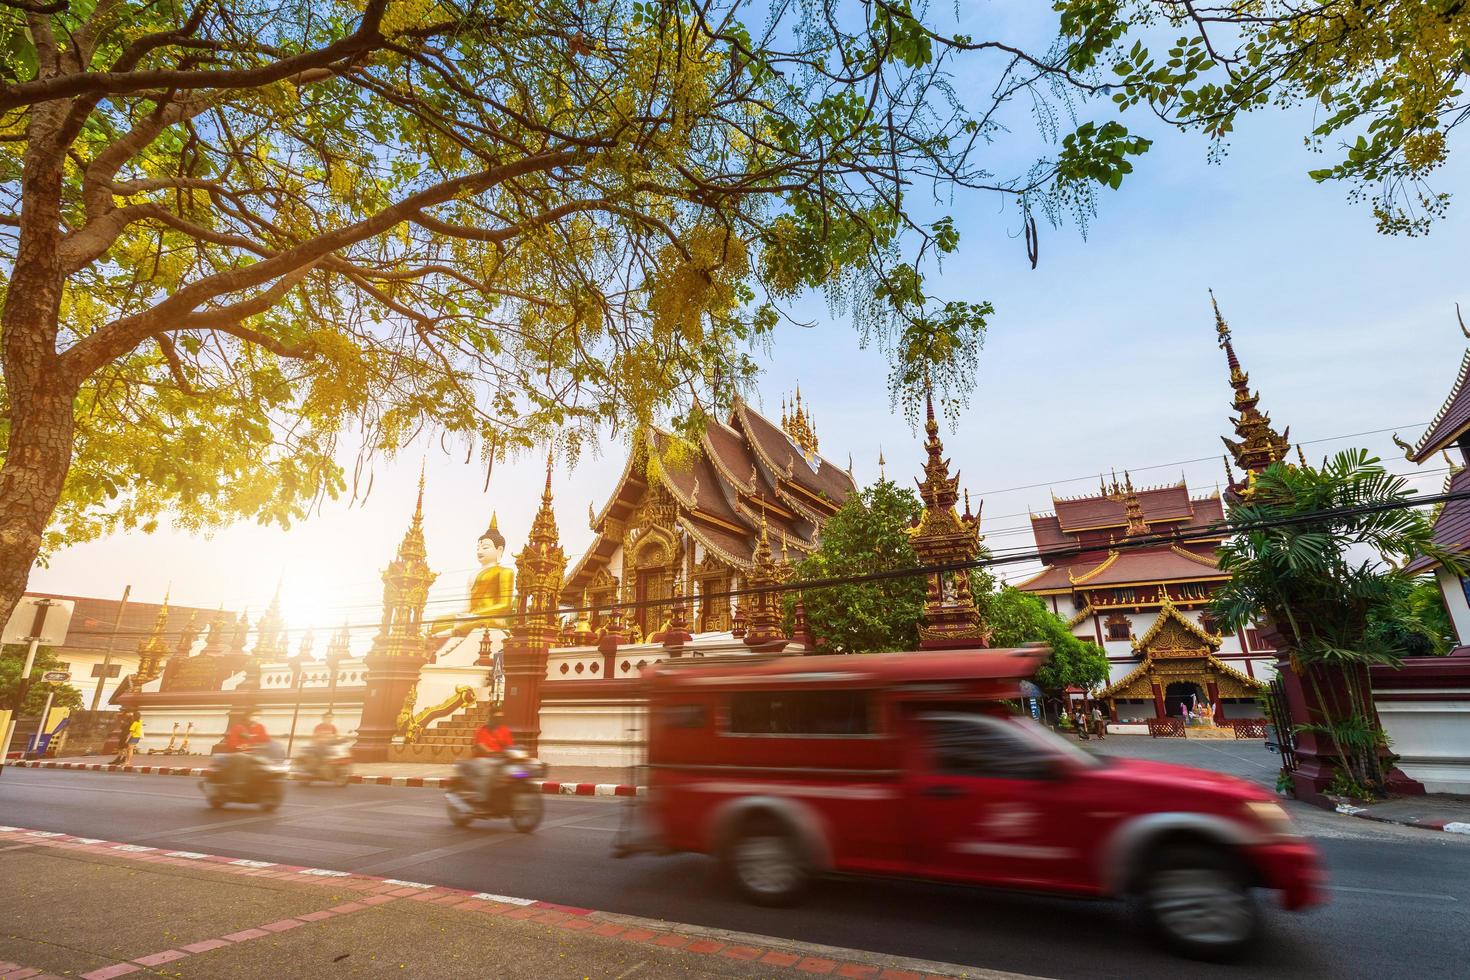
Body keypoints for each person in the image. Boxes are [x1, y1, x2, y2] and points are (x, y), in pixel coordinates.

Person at [470, 709, 514, 805]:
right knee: (488, 773)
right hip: (483, 759)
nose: (499, 720)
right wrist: (490, 752)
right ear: (492, 718)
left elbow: (510, 746)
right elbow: (480, 745)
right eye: (497, 718)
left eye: (501, 718)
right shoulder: (482, 730)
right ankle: (481, 799)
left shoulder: (504, 730)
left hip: (500, 759)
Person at [218, 709, 271, 786]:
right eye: (254, 715)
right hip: (236, 753)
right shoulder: (238, 727)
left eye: (258, 715)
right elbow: (232, 743)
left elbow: (266, 739)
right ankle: (238, 785)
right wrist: (240, 747)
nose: (257, 717)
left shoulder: (260, 727)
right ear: (248, 716)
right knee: (242, 757)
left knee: (266, 762)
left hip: (254, 754)